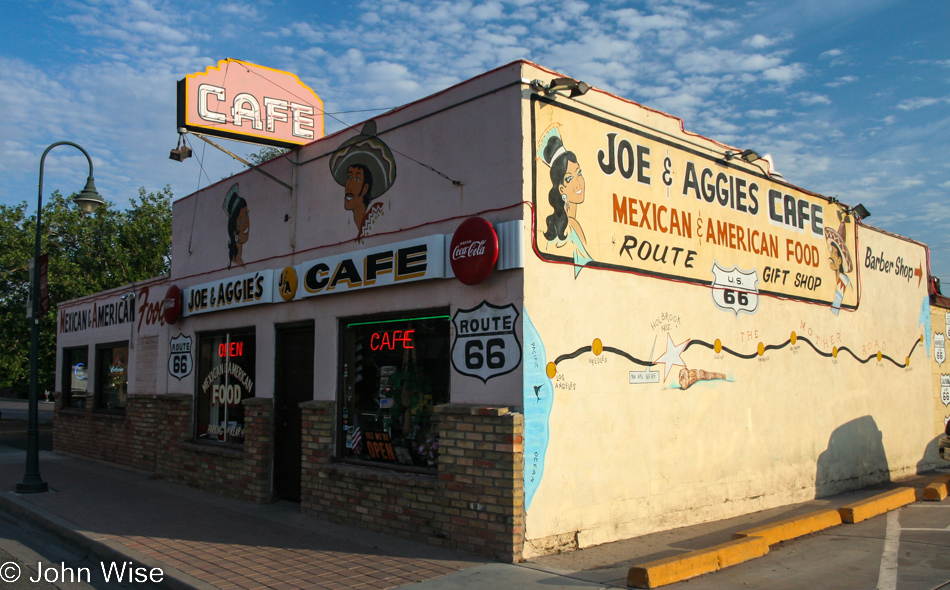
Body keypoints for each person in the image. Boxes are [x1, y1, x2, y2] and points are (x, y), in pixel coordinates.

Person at [330, 120, 397, 242]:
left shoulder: (376, 215)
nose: (349, 185)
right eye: (349, 177)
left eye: (356, 179)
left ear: (366, 188)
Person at [538, 126, 591, 277]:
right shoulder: (572, 226)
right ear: (561, 189)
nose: (578, 183)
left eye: (579, 173)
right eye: (569, 178)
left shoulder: (561, 227)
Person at [825, 214, 853, 315]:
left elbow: (834, 313)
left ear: (840, 261)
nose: (831, 256)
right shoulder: (833, 281)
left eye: (835, 253)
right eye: (831, 251)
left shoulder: (844, 283)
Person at [223, 183, 249, 269]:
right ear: (234, 232)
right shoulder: (236, 260)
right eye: (241, 220)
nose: (246, 222)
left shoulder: (239, 259)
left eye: (246, 215)